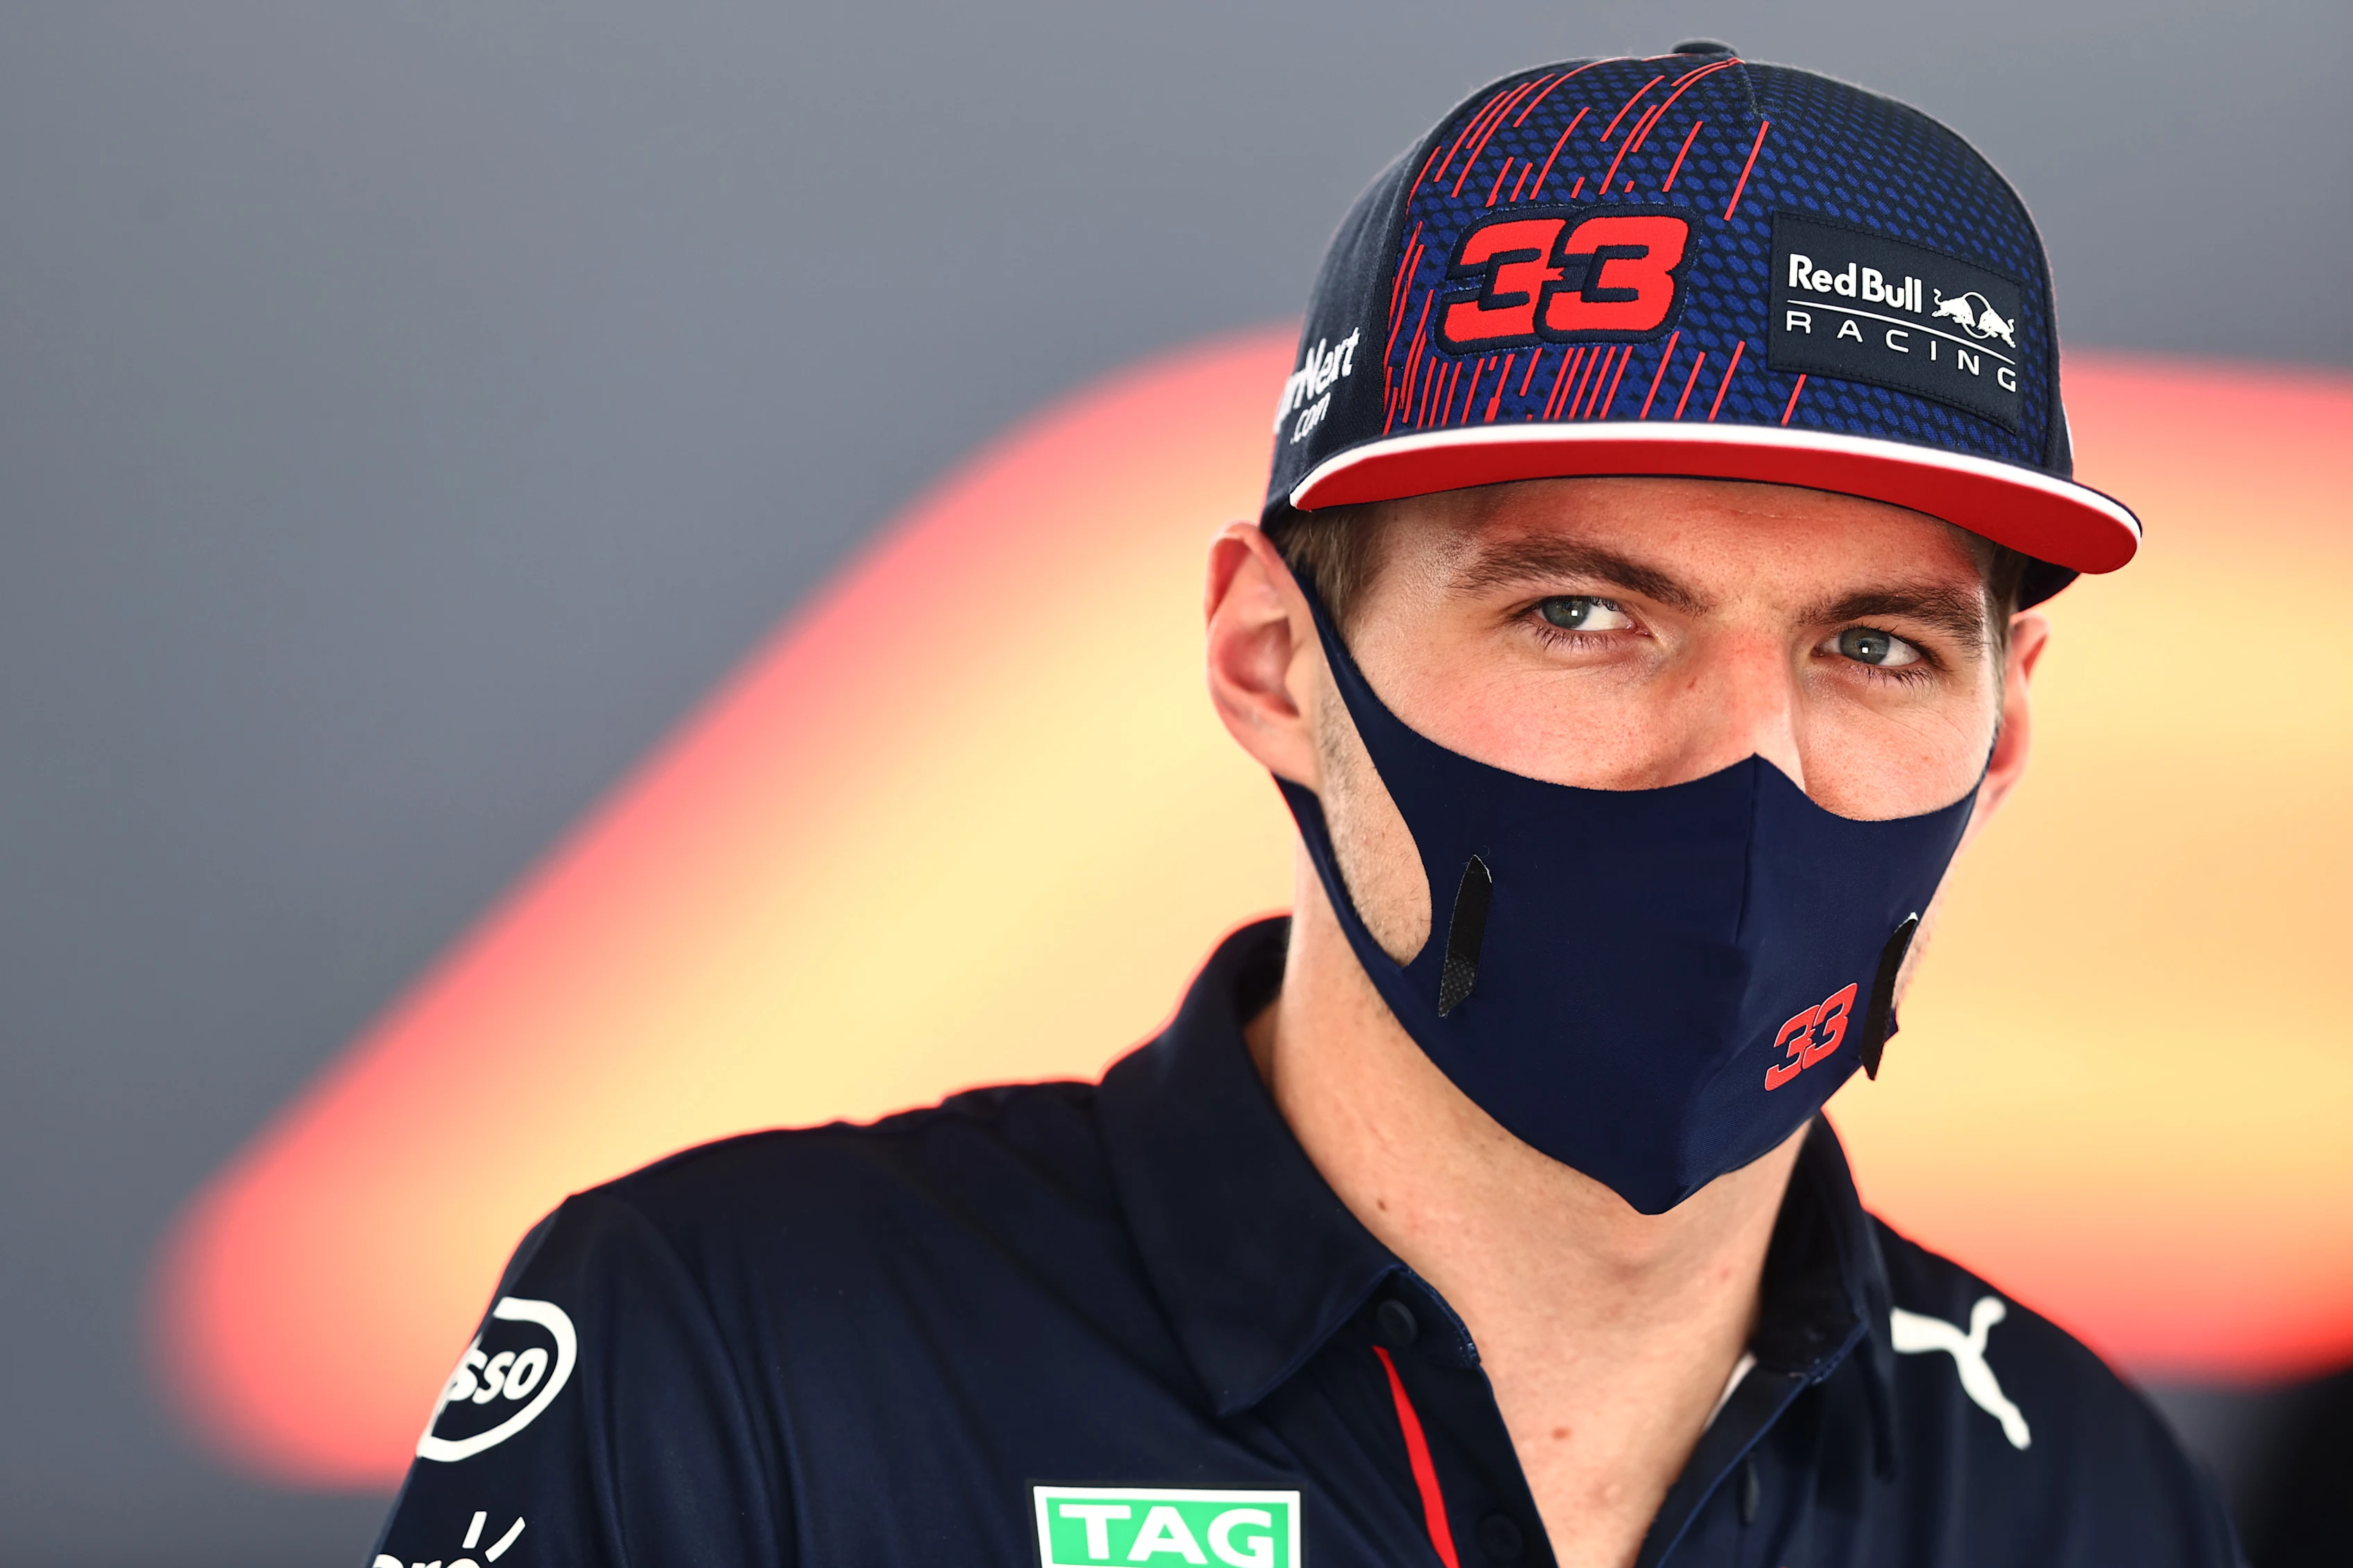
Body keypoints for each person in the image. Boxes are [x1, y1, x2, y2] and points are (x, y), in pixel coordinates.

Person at [372, 46, 2238, 1568]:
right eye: (1583, 615)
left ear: (2005, 730)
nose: (1749, 756)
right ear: (1273, 660)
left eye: (1877, 646)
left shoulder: (2080, 1495)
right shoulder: (740, 1352)